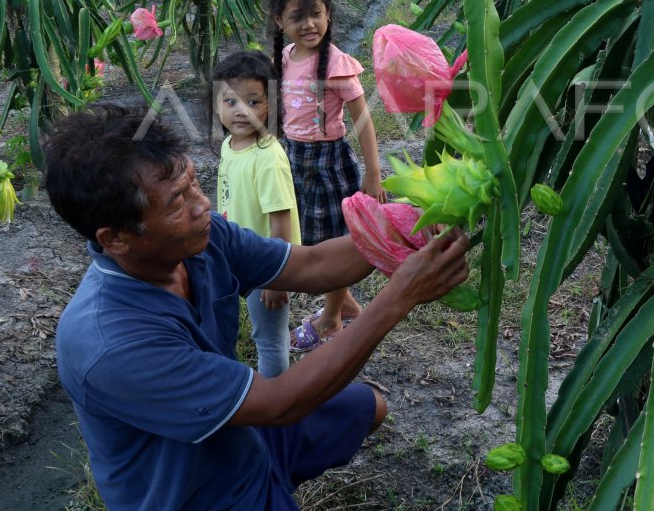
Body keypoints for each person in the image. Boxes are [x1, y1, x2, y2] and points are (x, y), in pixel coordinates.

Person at [48, 103, 468, 511]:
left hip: (244, 436)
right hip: (198, 495)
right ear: (115, 238)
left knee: (368, 408)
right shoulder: (111, 345)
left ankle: (276, 476)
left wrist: (403, 223)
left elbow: (313, 263)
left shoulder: (202, 241)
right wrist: (397, 299)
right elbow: (279, 403)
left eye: (194, 183)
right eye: (177, 202)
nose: (202, 205)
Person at [268, 0, 385, 351]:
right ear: (279, 21)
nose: (309, 24)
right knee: (311, 239)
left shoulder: (335, 65)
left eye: (315, 13)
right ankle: (347, 304)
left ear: (328, 13)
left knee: (332, 243)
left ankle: (331, 319)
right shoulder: (284, 58)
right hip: (294, 160)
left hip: (327, 164)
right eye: (297, 16)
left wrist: (373, 173)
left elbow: (363, 120)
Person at [211, 51, 299, 378]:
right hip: (238, 256)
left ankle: (275, 403)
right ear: (216, 104)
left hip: (267, 264)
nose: (241, 112)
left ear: (271, 105)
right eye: (230, 102)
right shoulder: (230, 145)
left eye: (253, 102)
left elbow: (281, 220)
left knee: (270, 339)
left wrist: (276, 278)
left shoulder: (268, 157)